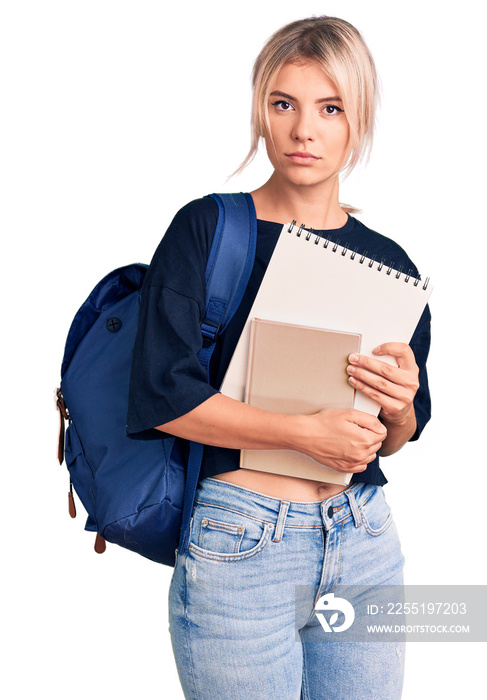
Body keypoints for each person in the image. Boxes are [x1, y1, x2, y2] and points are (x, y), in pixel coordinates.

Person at [127, 15, 431, 700]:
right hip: (243, 543)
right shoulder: (209, 228)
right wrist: (300, 433)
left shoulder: (388, 264)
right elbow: (162, 394)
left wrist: (400, 402)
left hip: (362, 536)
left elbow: (395, 438)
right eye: (283, 104)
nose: (303, 131)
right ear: (260, 111)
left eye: (330, 108)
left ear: (358, 119)